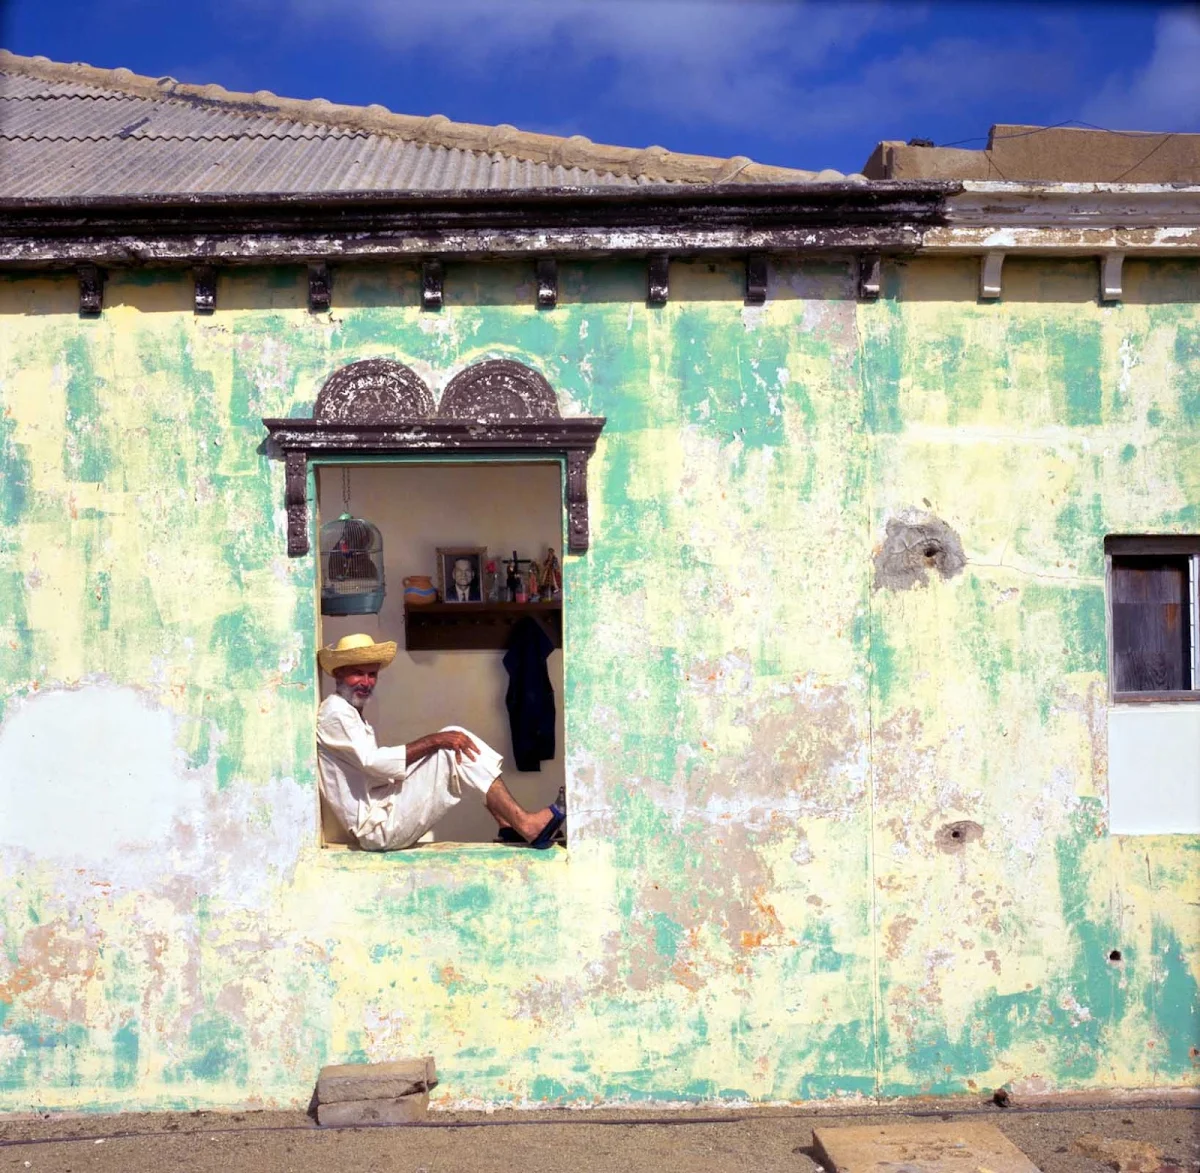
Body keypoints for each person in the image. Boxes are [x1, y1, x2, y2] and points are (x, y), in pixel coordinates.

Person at [316, 633, 565, 850]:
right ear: (339, 672)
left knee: (453, 738)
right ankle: (523, 823)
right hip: (376, 828)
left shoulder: (349, 713)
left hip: (383, 807)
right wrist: (434, 741)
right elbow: (374, 764)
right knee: (448, 745)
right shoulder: (336, 713)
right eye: (358, 674)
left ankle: (508, 822)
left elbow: (375, 774)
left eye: (372, 675)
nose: (367, 682)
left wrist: (436, 747)